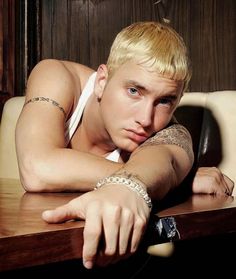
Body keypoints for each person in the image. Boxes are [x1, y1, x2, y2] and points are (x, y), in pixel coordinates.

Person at [15, 21, 234, 270]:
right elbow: (37, 168)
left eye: (164, 101)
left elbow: (165, 159)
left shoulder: (171, 133)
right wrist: (175, 184)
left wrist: (161, 176)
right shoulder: (57, 76)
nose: (146, 118)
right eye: (133, 90)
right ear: (102, 80)